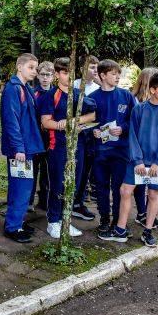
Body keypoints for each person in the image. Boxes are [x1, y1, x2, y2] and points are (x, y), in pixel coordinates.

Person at [104, 71, 158, 247]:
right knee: (125, 190)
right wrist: (137, 161)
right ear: (152, 90)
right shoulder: (139, 109)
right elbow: (133, 136)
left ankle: (148, 230)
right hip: (137, 161)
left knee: (153, 194)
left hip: (157, 164)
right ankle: (120, 229)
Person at [39, 57, 96, 239]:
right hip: (58, 147)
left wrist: (74, 122)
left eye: (71, 72)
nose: (69, 76)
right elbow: (45, 123)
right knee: (57, 185)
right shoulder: (51, 96)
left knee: (74, 184)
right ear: (57, 74)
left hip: (78, 146)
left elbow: (92, 115)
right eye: (64, 72)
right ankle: (53, 221)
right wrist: (62, 125)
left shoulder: (79, 94)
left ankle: (66, 221)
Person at [89, 60, 137, 238]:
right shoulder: (93, 97)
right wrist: (92, 131)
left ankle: (119, 220)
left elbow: (136, 120)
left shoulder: (126, 96)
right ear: (102, 75)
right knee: (101, 186)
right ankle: (103, 218)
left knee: (119, 187)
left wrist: (123, 128)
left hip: (120, 151)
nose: (117, 77)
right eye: (113, 73)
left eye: (119, 73)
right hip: (100, 151)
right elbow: (86, 122)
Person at [0, 53, 44, 243]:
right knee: (21, 187)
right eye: (31, 67)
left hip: (28, 146)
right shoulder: (13, 89)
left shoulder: (26, 88)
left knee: (24, 187)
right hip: (21, 149)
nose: (35, 71)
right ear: (20, 67)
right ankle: (13, 227)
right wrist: (19, 148)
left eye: (36, 68)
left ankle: (16, 221)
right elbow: (11, 121)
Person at [128, 67, 158, 228]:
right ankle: (141, 212)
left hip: (153, 151)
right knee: (139, 182)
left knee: (152, 184)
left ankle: (148, 212)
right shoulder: (135, 101)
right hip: (137, 150)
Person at [73, 55, 100, 210]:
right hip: (78, 135)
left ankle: (81, 199)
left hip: (93, 136)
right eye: (91, 67)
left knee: (88, 170)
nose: (95, 70)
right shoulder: (74, 86)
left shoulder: (98, 89)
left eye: (96, 67)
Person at [30, 61, 54, 210]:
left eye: (48, 75)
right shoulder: (33, 93)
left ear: (53, 76)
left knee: (47, 171)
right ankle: (29, 201)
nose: (45, 78)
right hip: (35, 137)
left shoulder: (56, 93)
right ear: (38, 76)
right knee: (33, 170)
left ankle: (44, 199)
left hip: (50, 139)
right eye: (42, 75)